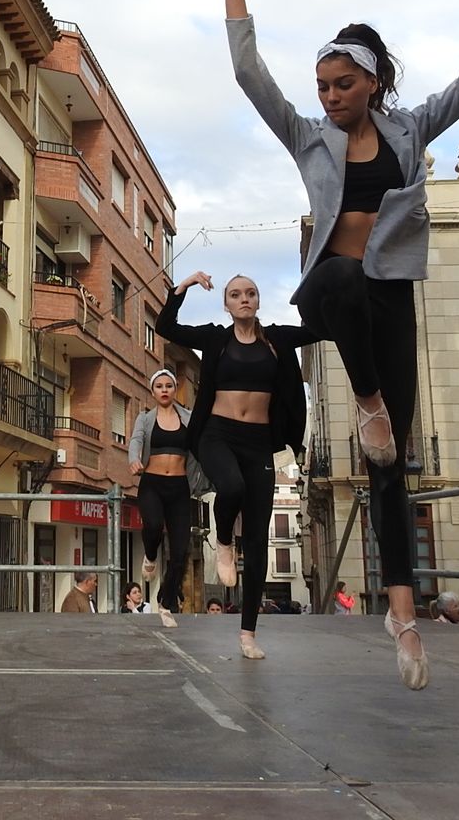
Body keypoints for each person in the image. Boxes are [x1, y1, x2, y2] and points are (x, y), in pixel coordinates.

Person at [217, 0, 459, 688]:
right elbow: (251, 76)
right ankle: (369, 401)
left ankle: (405, 621)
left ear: (373, 82)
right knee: (344, 277)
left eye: (342, 83)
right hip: (326, 290)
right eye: (321, 85)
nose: (328, 96)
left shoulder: (412, 130)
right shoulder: (307, 134)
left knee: (390, 474)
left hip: (388, 299)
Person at [157, 270, 318, 661]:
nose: (243, 298)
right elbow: (165, 326)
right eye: (235, 294)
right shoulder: (215, 338)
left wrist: (317, 286)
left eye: (250, 293)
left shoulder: (278, 339)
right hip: (216, 433)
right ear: (226, 304)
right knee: (230, 488)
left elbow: (321, 329)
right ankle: (224, 540)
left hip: (259, 442)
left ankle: (248, 633)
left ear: (258, 301)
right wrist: (185, 286)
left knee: (260, 539)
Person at [128, 367, 206, 629]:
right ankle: (150, 555)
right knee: (152, 526)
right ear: (153, 391)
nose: (164, 390)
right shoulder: (145, 419)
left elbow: (202, 442)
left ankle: (165, 602)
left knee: (181, 551)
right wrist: (133, 460)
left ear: (175, 390)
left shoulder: (189, 418)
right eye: (159, 386)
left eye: (168, 386)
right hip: (152, 483)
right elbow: (136, 440)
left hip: (179, 488)